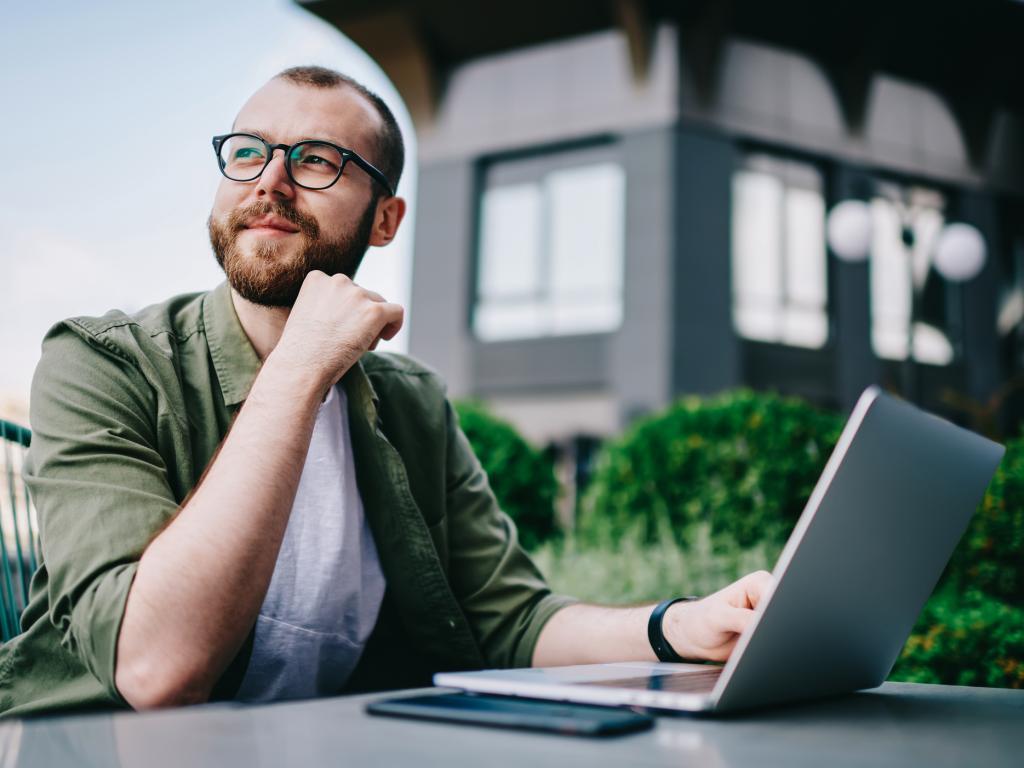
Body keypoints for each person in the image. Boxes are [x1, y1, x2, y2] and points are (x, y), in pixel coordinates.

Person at [0, 66, 771, 717]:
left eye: (315, 161)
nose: (269, 182)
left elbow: (511, 620)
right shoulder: (102, 364)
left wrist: (683, 626)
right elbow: (155, 669)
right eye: (247, 153)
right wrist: (300, 367)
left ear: (386, 219)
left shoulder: (412, 404)